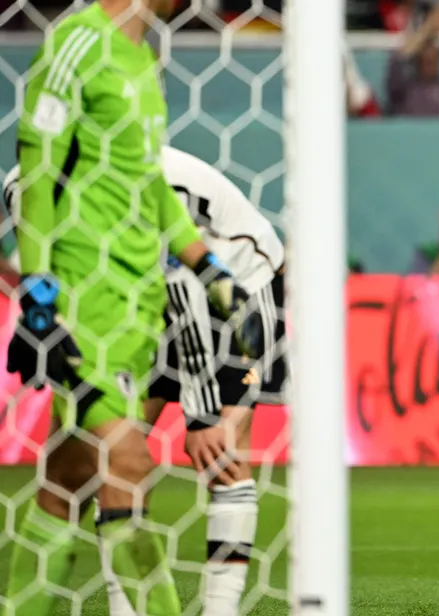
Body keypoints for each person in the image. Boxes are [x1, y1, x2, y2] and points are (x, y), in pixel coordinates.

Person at [1, 2, 257, 615]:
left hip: (139, 301)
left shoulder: (142, 57)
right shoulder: (76, 41)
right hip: (85, 295)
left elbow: (148, 181)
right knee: (128, 458)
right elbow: (36, 165)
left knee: (69, 475)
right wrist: (38, 287)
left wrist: (204, 265)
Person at [4, 143, 287, 615]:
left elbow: (184, 285)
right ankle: (126, 608)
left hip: (238, 283)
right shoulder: (22, 190)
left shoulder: (134, 183)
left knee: (223, 453)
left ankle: (221, 609)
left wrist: (201, 417)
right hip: (132, 304)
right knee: (112, 456)